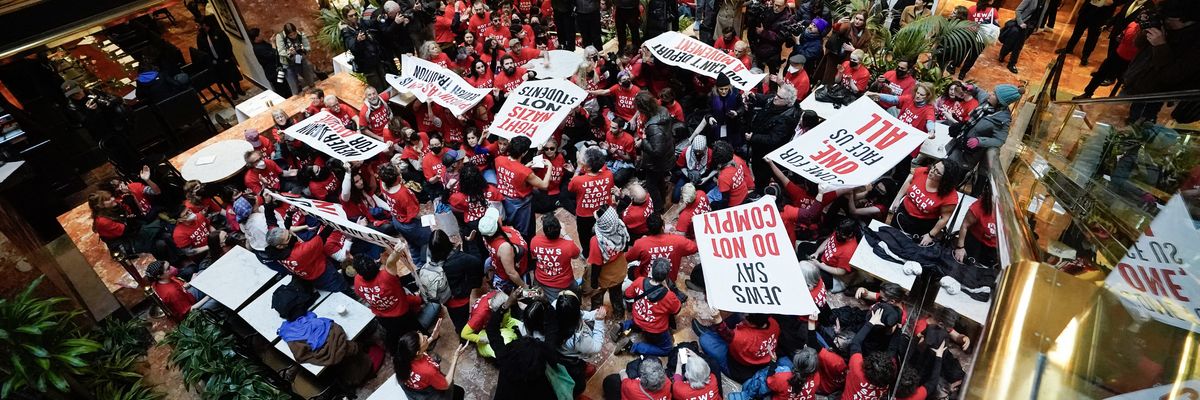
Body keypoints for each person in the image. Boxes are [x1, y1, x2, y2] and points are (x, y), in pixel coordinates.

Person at [273, 283, 375, 390]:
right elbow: (339, 331)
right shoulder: (319, 323)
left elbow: (300, 356)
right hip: (358, 363)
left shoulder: (289, 334)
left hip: (341, 373)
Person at [1121, 0, 1200, 124]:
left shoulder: (1194, 44)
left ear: (1183, 19)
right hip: (1134, 82)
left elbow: (1171, 76)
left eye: (1168, 18)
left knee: (1137, 125)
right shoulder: (1166, 24)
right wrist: (1146, 27)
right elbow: (1138, 44)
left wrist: (1160, 46)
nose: (1164, 20)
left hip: (1152, 96)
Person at [353, 242, 425, 346]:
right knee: (418, 331)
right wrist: (396, 252)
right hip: (402, 314)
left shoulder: (357, 282)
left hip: (383, 318)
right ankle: (428, 342)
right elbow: (391, 262)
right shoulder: (386, 276)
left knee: (398, 335)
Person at [946, 84, 1020, 172]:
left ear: (1000, 101)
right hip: (957, 143)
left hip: (967, 156)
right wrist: (972, 88)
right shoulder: (985, 101)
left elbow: (1000, 140)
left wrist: (979, 141)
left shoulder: (1003, 120)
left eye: (994, 94)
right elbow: (978, 91)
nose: (990, 94)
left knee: (951, 174)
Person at [616, 258, 682, 357]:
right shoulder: (669, 296)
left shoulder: (639, 281)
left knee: (637, 321)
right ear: (666, 276)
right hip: (654, 328)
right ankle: (632, 346)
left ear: (651, 270)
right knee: (667, 350)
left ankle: (622, 326)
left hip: (638, 316)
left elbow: (628, 295)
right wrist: (667, 289)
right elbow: (676, 309)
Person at [888, 160, 963, 244]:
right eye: (934, 167)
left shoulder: (950, 197)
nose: (932, 171)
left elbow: (945, 218)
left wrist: (931, 235)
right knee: (890, 239)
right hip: (903, 213)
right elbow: (909, 182)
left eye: (937, 172)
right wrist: (898, 199)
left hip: (922, 224)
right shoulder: (922, 172)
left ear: (946, 178)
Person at [260, 227, 352, 294]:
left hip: (310, 276)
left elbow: (271, 222)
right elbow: (322, 237)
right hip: (326, 276)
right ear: (280, 246)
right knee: (342, 288)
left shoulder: (274, 253)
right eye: (288, 238)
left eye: (289, 233)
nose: (292, 235)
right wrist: (331, 223)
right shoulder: (299, 253)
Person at [495, 136, 552, 240]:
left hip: (505, 199)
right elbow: (544, 185)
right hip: (521, 205)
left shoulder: (498, 160)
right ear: (524, 153)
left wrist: (525, 167)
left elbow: (512, 171)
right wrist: (550, 167)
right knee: (525, 233)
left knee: (510, 228)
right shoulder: (525, 172)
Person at [746, 83, 800, 191]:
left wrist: (754, 137)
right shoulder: (774, 100)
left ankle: (760, 191)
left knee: (761, 174)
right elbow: (765, 98)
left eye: (779, 97)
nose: (775, 97)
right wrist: (753, 95)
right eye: (777, 94)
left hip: (766, 153)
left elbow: (773, 139)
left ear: (788, 102)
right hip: (757, 145)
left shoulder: (787, 119)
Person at [379, 164, 433, 268]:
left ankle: (417, 264)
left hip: (397, 220)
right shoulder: (403, 193)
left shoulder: (383, 183)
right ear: (397, 177)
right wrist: (426, 217)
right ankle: (426, 266)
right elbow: (414, 214)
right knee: (427, 241)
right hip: (411, 224)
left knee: (412, 243)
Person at [393, 327, 470, 400]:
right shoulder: (428, 370)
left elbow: (420, 349)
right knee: (459, 392)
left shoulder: (403, 357)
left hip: (416, 389)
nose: (426, 336)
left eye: (421, 334)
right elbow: (446, 384)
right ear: (418, 353)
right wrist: (455, 357)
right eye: (424, 339)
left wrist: (432, 337)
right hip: (431, 394)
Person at [587, 205, 631, 318]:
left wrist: (594, 283)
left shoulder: (596, 241)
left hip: (605, 276)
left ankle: (596, 314)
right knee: (616, 295)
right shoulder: (620, 226)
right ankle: (619, 314)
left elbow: (596, 265)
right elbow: (625, 247)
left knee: (597, 296)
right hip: (620, 270)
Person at [626, 213, 698, 281]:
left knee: (632, 269)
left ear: (647, 228)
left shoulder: (641, 243)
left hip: (647, 281)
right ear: (663, 226)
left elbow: (627, 257)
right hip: (669, 280)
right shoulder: (678, 241)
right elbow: (695, 248)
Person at [636, 91, 677, 211]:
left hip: (656, 163)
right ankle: (663, 200)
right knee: (659, 180)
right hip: (667, 155)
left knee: (651, 185)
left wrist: (643, 141)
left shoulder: (653, 127)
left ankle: (658, 209)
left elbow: (657, 151)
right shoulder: (663, 110)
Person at [530, 214, 583, 301]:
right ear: (560, 229)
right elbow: (576, 255)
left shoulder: (535, 241)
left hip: (541, 279)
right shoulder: (569, 246)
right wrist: (565, 235)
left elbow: (534, 256)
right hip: (564, 282)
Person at [477, 208, 531, 293]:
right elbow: (511, 273)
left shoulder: (487, 235)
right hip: (513, 278)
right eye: (497, 217)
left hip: (519, 266)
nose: (500, 217)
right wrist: (524, 286)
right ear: (497, 225)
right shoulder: (504, 248)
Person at [196, 15, 245, 98]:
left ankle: (238, 89)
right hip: (215, 63)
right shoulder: (200, 37)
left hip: (225, 59)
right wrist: (210, 61)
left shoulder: (218, 32)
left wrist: (228, 57)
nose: (197, 27)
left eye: (198, 25)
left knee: (234, 76)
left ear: (204, 25)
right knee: (224, 79)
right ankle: (232, 92)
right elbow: (201, 51)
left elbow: (228, 44)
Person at [954, 175, 998, 268]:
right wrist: (960, 247)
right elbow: (964, 226)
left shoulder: (1007, 211)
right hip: (975, 244)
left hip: (993, 249)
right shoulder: (978, 207)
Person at [145, 260, 211, 321]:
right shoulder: (172, 292)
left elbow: (180, 288)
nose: (172, 268)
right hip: (191, 314)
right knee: (214, 300)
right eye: (168, 268)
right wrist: (208, 296)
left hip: (187, 296)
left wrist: (191, 282)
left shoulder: (161, 281)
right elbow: (189, 311)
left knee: (202, 274)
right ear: (160, 276)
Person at [1056, 0, 1117, 66]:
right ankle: (1068, 48)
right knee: (1077, 31)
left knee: (1092, 37)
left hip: (1101, 15)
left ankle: (1085, 56)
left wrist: (1113, 2)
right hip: (1087, 9)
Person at [341, 5, 387, 90]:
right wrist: (358, 40)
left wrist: (377, 19)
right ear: (346, 17)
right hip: (367, 64)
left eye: (355, 14)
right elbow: (351, 45)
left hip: (376, 58)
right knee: (377, 87)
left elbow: (370, 23)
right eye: (351, 16)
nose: (354, 17)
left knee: (386, 82)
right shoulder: (346, 31)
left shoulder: (361, 22)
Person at [810, 218, 861, 292]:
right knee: (803, 246)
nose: (838, 235)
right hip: (826, 258)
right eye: (837, 232)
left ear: (850, 234)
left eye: (841, 234)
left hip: (834, 275)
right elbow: (829, 240)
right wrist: (817, 253)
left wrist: (820, 265)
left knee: (811, 274)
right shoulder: (840, 231)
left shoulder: (848, 252)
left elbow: (840, 271)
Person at [603, 354, 671, 400]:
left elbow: (623, 376)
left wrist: (623, 371)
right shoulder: (668, 382)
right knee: (656, 359)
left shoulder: (631, 387)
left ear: (642, 379)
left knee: (611, 381)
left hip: (634, 392)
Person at [275, 22, 318, 94]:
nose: (293, 36)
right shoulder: (280, 37)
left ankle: (314, 91)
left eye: (294, 34)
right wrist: (289, 52)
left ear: (296, 31)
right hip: (288, 63)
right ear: (287, 34)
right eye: (290, 35)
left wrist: (301, 49)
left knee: (310, 79)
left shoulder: (300, 34)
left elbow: (307, 47)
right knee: (294, 86)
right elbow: (281, 51)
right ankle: (296, 95)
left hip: (300, 59)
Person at [998, 0, 1039, 74]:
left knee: (1018, 44)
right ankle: (1011, 63)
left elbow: (1042, 15)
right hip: (1022, 24)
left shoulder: (1046, 2)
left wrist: (1037, 26)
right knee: (1016, 44)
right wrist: (1021, 22)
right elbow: (1018, 10)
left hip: (1031, 27)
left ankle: (1004, 55)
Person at [710, 141, 751, 209]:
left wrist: (715, 205)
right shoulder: (737, 160)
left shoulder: (723, 177)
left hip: (734, 204)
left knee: (709, 198)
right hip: (744, 194)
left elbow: (725, 200)